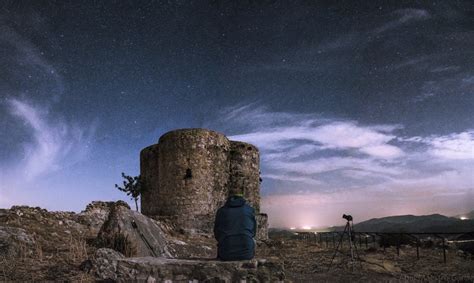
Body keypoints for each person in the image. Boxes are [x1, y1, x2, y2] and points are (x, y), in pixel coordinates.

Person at [213, 193, 257, 261]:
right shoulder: (250, 210)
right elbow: (253, 232)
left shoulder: (221, 211)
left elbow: (217, 233)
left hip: (225, 253)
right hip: (247, 253)